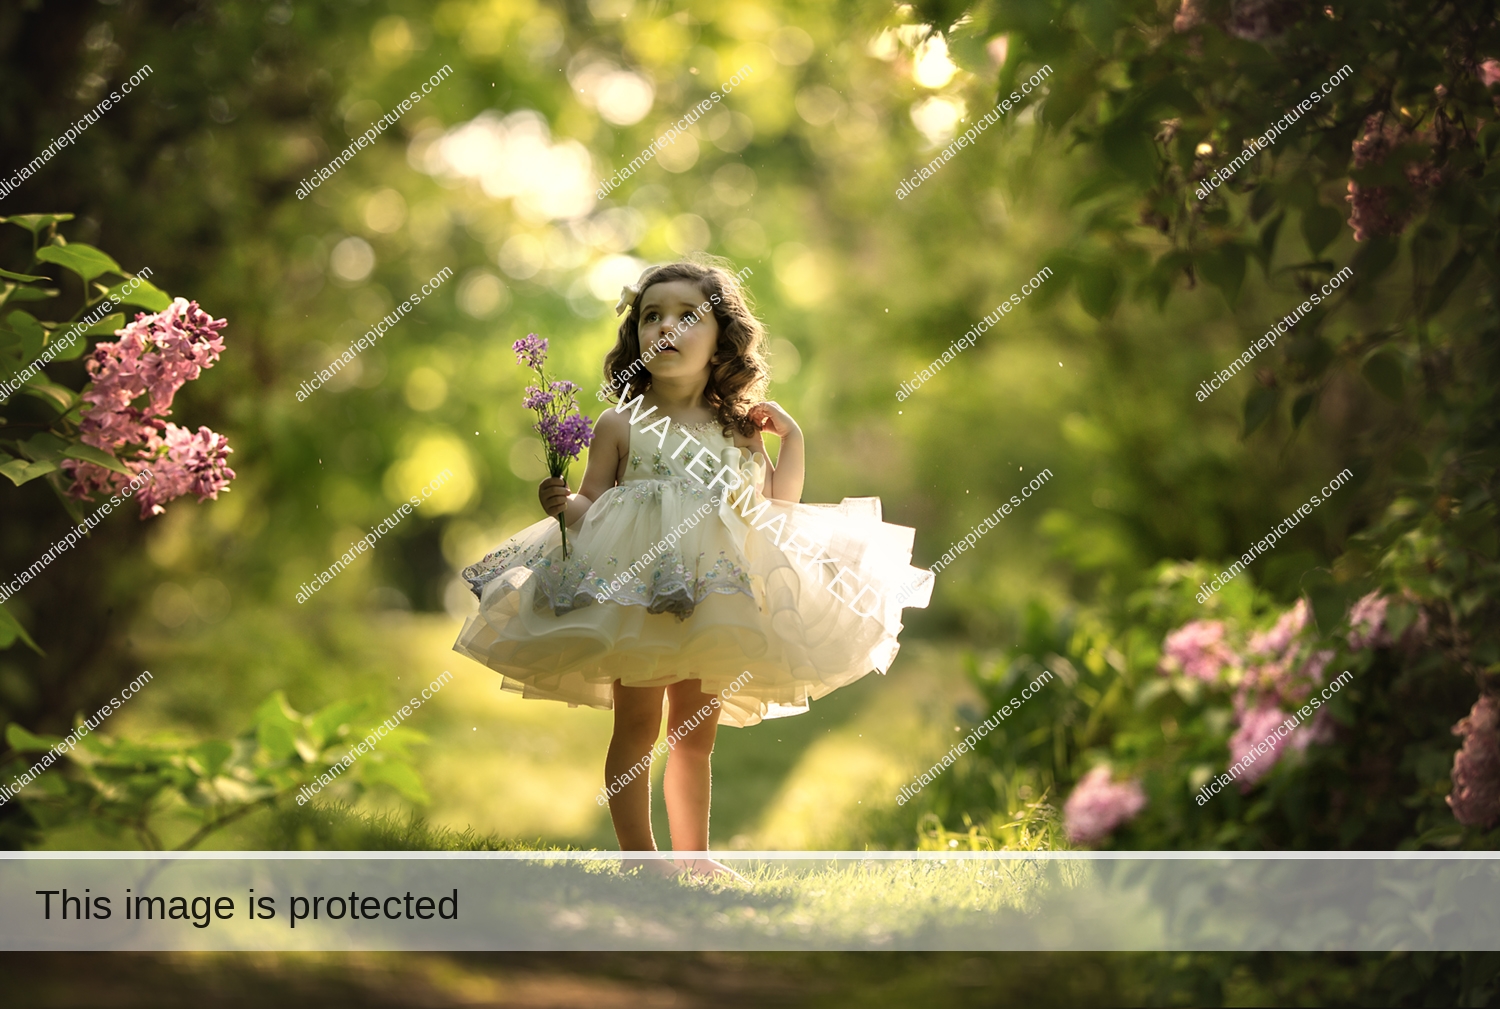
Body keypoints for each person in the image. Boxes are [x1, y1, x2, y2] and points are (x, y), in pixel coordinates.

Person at [453, 260, 932, 879]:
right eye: (651, 316)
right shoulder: (619, 423)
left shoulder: (739, 426)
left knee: (694, 733)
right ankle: (641, 860)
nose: (665, 327)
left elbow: (774, 511)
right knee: (637, 725)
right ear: (635, 339)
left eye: (686, 316)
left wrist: (795, 442)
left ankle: (694, 857)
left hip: (716, 595)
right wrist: (563, 505)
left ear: (720, 341)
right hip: (637, 593)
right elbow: (591, 509)